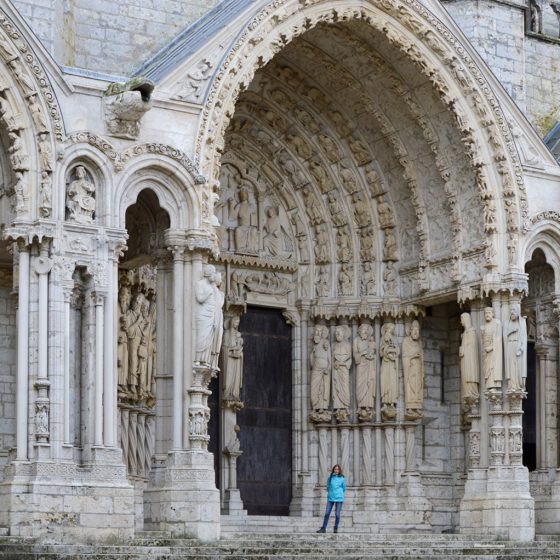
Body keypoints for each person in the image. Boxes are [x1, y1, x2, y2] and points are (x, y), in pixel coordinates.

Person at [317, 464, 346, 534]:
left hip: (339, 498)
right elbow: (328, 487)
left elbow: (343, 488)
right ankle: (323, 528)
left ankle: (335, 527)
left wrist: (339, 493)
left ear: (339, 471)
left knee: (337, 514)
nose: (336, 470)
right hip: (330, 498)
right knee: (327, 513)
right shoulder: (330, 478)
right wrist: (331, 492)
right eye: (335, 469)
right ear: (333, 470)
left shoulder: (342, 478)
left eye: (337, 469)